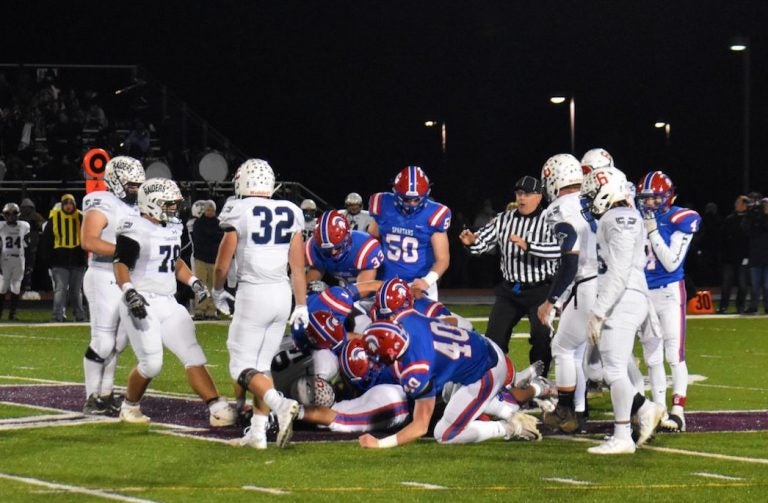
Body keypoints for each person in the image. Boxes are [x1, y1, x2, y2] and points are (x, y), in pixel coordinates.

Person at [113, 178, 235, 427]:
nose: (174, 209)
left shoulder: (171, 227)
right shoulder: (133, 226)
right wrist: (128, 291)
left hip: (168, 301)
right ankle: (129, 406)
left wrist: (194, 282)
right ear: (153, 203)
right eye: (169, 204)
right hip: (140, 299)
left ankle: (215, 405)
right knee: (152, 364)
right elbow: (121, 264)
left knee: (192, 352)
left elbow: (174, 261)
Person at [212, 158, 308, 449]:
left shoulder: (237, 209)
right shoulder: (291, 210)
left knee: (240, 367)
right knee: (261, 368)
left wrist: (217, 291)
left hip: (254, 293)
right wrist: (301, 304)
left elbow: (221, 264)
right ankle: (257, 433)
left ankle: (279, 405)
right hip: (282, 294)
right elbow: (298, 267)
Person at [580, 167, 665, 454]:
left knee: (614, 369)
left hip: (623, 297)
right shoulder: (617, 216)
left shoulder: (620, 217)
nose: (590, 199)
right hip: (625, 296)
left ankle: (622, 435)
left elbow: (619, 270)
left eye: (593, 193)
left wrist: (599, 310)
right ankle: (646, 409)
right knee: (602, 367)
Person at [358, 319, 541, 448]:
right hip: (483, 347)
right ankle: (510, 411)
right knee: (447, 392)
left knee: (445, 433)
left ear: (391, 351)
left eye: (377, 354)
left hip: (487, 371)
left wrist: (380, 443)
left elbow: (420, 426)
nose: (376, 359)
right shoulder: (409, 320)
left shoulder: (416, 369)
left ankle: (510, 427)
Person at [459, 175, 559, 376]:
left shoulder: (550, 220)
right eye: (519, 193)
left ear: (539, 196)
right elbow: (482, 244)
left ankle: (538, 380)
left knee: (541, 337)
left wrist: (529, 246)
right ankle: (494, 380)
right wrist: (471, 242)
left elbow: (558, 250)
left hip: (540, 290)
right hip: (509, 291)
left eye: (527, 194)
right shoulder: (503, 219)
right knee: (494, 338)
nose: (522, 198)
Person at [80, 156, 146, 415]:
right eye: (131, 184)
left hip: (124, 276)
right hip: (103, 273)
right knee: (104, 341)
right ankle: (91, 397)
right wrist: (126, 253)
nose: (135, 189)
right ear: (116, 181)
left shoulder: (135, 206)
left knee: (119, 341)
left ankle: (106, 394)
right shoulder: (101, 200)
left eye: (138, 184)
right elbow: (89, 240)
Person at [537, 154, 597, 433]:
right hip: (611, 282)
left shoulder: (559, 208)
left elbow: (571, 259)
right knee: (579, 352)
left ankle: (564, 409)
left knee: (562, 347)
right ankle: (579, 413)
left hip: (588, 283)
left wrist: (551, 300)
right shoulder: (591, 200)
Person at [637, 170, 701, 432]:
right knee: (651, 356)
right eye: (646, 198)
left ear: (668, 197)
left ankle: (678, 411)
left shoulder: (680, 218)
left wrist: (652, 233)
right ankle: (658, 409)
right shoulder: (635, 219)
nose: (650, 203)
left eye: (655, 198)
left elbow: (671, 261)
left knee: (673, 354)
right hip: (644, 292)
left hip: (669, 291)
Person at [368, 166, 451, 300]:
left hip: (418, 283)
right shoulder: (382, 204)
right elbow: (372, 238)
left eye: (416, 199)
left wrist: (427, 281)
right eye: (406, 199)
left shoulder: (435, 214)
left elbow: (443, 259)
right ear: (395, 192)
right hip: (384, 282)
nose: (411, 204)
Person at [39, 194, 87, 322]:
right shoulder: (54, 218)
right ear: (62, 204)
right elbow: (47, 240)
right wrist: (48, 259)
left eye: (70, 203)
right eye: (65, 203)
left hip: (77, 260)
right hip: (59, 260)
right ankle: (57, 316)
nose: (68, 206)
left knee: (76, 291)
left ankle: (80, 315)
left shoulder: (81, 217)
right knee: (60, 289)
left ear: (74, 204)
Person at [305, 209, 384, 287]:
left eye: (338, 247)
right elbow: (316, 270)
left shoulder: (364, 247)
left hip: (374, 295)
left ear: (347, 238)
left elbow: (364, 288)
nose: (333, 252)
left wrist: (331, 292)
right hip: (345, 289)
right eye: (327, 250)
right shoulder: (314, 247)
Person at [191, 200, 223, 319]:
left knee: (214, 286)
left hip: (215, 259)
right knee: (201, 284)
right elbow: (200, 239)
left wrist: (211, 238)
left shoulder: (219, 224)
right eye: (208, 210)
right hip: (201, 259)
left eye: (212, 210)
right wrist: (213, 238)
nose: (210, 212)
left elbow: (220, 240)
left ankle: (211, 310)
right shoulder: (198, 223)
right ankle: (200, 309)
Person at [719, 195, 750, 313]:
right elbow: (723, 239)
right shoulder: (729, 219)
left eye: (739, 203)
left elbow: (748, 240)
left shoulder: (749, 219)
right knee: (726, 285)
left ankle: (740, 306)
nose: (737, 205)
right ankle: (723, 306)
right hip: (729, 258)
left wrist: (747, 256)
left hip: (742, 258)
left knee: (743, 285)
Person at [0, 203, 30, 320]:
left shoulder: (24, 226)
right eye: (8, 213)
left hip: (19, 259)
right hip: (5, 259)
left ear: (18, 214)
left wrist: (29, 263)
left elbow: (27, 245)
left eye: (13, 213)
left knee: (16, 286)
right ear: (4, 215)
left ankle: (12, 314)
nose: (11, 216)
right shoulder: (1, 226)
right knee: (2, 287)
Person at [742, 194, 768, 315]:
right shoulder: (753, 217)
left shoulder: (764, 218)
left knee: (767, 286)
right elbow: (745, 229)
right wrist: (751, 211)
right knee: (754, 286)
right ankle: (753, 307)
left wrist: (765, 214)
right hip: (755, 256)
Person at [18, 198, 44, 292]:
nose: (25, 210)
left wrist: (36, 223)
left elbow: (43, 225)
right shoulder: (19, 217)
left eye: (27, 208)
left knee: (30, 266)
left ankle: (28, 286)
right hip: (20, 246)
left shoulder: (36, 216)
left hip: (33, 245)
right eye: (24, 208)